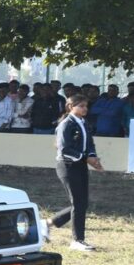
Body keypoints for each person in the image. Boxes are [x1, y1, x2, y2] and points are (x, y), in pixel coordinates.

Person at [45, 94, 104, 251]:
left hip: (79, 165)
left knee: (82, 203)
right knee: (78, 203)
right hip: (67, 165)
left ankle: (49, 224)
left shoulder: (84, 123)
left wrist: (92, 157)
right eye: (81, 106)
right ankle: (77, 240)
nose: (85, 109)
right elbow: (65, 149)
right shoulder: (66, 124)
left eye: (86, 106)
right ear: (71, 107)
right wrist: (86, 158)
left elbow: (89, 144)